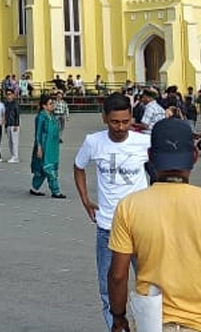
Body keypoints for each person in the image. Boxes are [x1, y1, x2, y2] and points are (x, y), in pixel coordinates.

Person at [108, 118, 201, 332]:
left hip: (154, 324)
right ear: (194, 157)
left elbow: (118, 276)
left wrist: (118, 317)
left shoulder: (129, 206)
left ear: (150, 157)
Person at [73, 93, 151, 329]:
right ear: (104, 118)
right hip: (108, 226)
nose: (120, 127)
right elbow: (78, 166)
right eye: (115, 122)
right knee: (109, 289)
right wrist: (85, 199)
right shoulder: (93, 142)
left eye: (125, 121)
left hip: (141, 226)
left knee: (149, 286)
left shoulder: (143, 142)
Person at [30, 94, 66, 198]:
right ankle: (56, 191)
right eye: (50, 104)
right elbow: (37, 133)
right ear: (44, 106)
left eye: (52, 103)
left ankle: (34, 187)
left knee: (43, 169)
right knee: (48, 168)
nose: (52, 105)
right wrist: (39, 148)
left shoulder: (52, 116)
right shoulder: (41, 117)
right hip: (44, 146)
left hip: (53, 146)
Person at [3, 88, 21, 163]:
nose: (8, 96)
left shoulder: (15, 103)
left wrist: (16, 125)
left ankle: (15, 156)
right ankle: (12, 155)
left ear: (13, 95)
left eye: (10, 94)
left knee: (14, 141)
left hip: (14, 124)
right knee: (10, 141)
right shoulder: (6, 104)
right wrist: (5, 125)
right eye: (7, 94)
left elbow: (17, 114)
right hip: (8, 124)